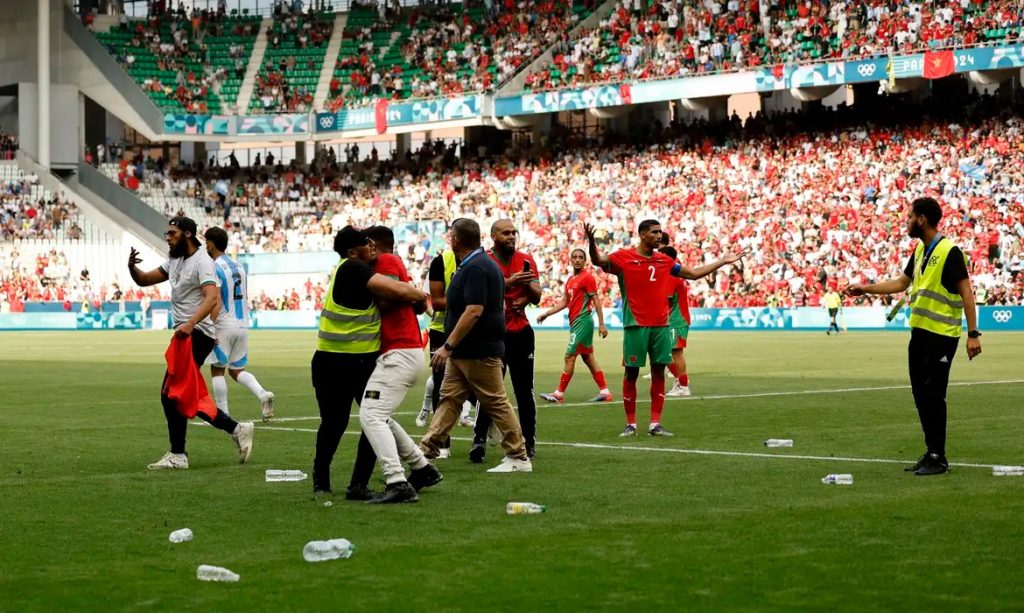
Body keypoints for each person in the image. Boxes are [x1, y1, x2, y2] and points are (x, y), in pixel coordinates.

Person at [847, 197, 982, 476]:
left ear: (922, 219)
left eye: (910, 217)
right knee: (921, 395)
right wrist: (865, 288)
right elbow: (901, 282)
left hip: (942, 335)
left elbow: (967, 292)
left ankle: (938, 457)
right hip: (919, 335)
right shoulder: (920, 250)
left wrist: (973, 334)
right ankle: (931, 451)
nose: (907, 221)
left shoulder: (950, 251)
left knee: (934, 395)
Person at [585, 220, 744, 437]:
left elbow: (693, 274)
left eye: (660, 232)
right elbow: (598, 260)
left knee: (659, 373)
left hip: (661, 326)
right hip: (635, 325)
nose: (659, 236)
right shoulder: (623, 257)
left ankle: (655, 424)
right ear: (642, 234)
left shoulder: (665, 260)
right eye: (654, 232)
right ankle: (631, 424)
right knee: (631, 373)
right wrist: (592, 242)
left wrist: (722, 261)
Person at [311, 226, 431, 497]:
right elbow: (398, 291)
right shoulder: (353, 267)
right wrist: (419, 297)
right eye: (366, 243)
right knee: (344, 422)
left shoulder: (354, 268)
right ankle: (338, 482)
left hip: (350, 361)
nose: (372, 246)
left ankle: (342, 484)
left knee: (360, 420)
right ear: (353, 252)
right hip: (339, 363)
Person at [128, 216, 254, 469]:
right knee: (178, 395)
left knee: (171, 394)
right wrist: (132, 267)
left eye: (172, 233)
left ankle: (179, 454)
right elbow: (144, 280)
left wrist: (191, 323)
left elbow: (212, 298)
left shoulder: (203, 262)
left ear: (187, 234)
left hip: (196, 334)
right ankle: (236, 429)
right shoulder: (175, 261)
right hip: (186, 334)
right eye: (167, 233)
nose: (167, 237)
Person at [420, 218, 532, 473]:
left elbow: (474, 311)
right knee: (449, 399)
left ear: (456, 239)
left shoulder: (477, 267)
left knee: (495, 402)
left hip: (478, 349)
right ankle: (426, 451)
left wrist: (448, 346)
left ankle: (519, 455)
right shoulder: (476, 264)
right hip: (465, 350)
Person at [345, 225, 443, 504]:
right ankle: (422, 468)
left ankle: (397, 481)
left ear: (374, 245)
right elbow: (415, 302)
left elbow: (388, 301)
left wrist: (371, 286)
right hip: (402, 350)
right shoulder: (393, 262)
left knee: (371, 416)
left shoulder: (386, 261)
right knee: (380, 415)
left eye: (367, 244)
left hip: (399, 353)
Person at [469, 219, 542, 462]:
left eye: (514, 232)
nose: (511, 236)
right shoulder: (484, 261)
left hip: (521, 333)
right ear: (493, 236)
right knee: (490, 390)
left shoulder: (526, 259)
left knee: (524, 390)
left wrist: (528, 293)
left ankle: (528, 442)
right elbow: (482, 295)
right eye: (506, 233)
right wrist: (511, 281)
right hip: (492, 334)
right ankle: (479, 440)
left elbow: (537, 296)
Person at [203, 227, 276, 420]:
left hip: (223, 324)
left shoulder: (214, 267)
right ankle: (262, 393)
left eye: (205, 243)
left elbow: (217, 299)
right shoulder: (240, 266)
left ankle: (223, 414)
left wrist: (210, 327)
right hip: (242, 324)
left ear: (210, 245)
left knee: (217, 369)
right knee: (236, 371)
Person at [416, 233, 476, 443]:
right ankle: (442, 444)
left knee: (477, 381)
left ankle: (483, 429)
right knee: (439, 383)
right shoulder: (440, 261)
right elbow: (431, 299)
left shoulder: (479, 261)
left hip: (471, 329)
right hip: (441, 330)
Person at [537, 248, 612, 403]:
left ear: (585, 260)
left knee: (569, 356)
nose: (577, 260)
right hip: (576, 323)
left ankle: (559, 393)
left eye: (580, 257)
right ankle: (605, 392)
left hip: (583, 321)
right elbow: (564, 302)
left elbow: (596, 300)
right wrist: (546, 314)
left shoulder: (587, 278)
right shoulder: (570, 280)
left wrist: (602, 324)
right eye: (575, 257)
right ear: (570, 260)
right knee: (588, 358)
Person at [658, 245, 692, 397]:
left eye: (660, 256)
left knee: (676, 353)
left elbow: (667, 300)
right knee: (664, 352)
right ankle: (681, 381)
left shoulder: (671, 275)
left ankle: (683, 386)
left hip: (676, 319)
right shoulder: (675, 273)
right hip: (673, 319)